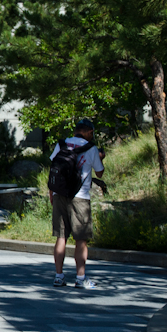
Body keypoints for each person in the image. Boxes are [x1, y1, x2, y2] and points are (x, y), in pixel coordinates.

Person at [50, 119, 105, 289]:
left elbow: (53, 167)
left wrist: (51, 192)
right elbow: (100, 172)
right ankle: (80, 279)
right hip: (80, 197)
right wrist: (100, 157)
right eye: (92, 133)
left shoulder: (62, 144)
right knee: (81, 239)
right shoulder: (91, 148)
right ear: (88, 132)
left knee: (61, 236)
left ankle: (59, 277)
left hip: (59, 194)